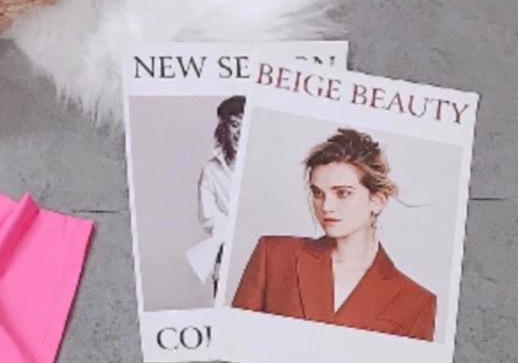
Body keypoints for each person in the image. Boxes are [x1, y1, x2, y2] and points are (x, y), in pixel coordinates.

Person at [232, 127, 436, 340]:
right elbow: (233, 342)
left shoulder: (416, 302)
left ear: (377, 200)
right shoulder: (274, 257)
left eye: (343, 193)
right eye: (318, 193)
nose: (326, 206)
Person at [186, 95, 244, 295]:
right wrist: (232, 232)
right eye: (235, 125)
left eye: (245, 125)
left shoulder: (262, 165)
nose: (240, 132)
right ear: (224, 128)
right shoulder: (210, 170)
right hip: (225, 250)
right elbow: (208, 216)